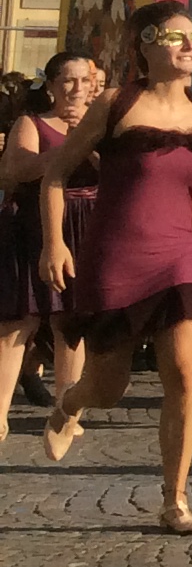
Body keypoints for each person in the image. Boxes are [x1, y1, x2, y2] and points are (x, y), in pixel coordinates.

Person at [35, 4, 192, 531]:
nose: (188, 47)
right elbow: (55, 173)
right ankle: (70, 401)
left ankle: (174, 500)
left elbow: (188, 190)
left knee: (184, 371)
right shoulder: (117, 103)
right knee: (109, 388)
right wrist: (54, 245)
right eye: (174, 37)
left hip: (177, 257)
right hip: (115, 255)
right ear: (143, 45)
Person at [0, 50, 102, 427]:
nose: (77, 89)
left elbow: (119, 174)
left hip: (84, 227)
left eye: (84, 80)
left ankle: (66, 412)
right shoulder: (32, 122)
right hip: (34, 225)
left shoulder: (103, 125)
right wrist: (65, 149)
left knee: (70, 323)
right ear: (53, 87)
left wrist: (87, 141)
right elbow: (15, 170)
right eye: (68, 81)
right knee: (18, 321)